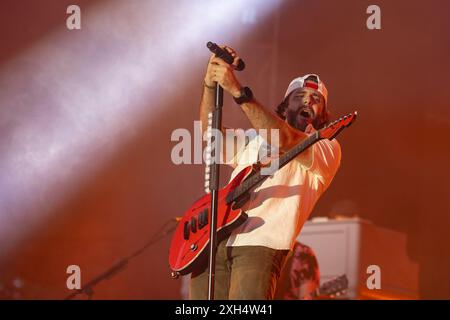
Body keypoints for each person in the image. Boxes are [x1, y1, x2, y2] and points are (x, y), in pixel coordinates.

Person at [190, 45, 341, 300]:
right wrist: (209, 84)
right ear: (284, 105)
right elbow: (209, 133)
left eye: (316, 100)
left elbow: (286, 140)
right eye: (299, 96)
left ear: (323, 113)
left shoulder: (326, 146)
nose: (307, 101)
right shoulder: (253, 138)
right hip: (215, 239)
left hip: (261, 243)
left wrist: (238, 92)